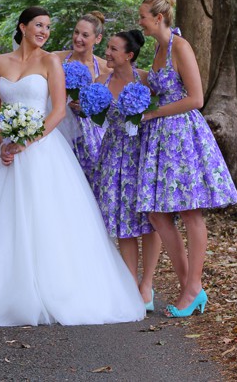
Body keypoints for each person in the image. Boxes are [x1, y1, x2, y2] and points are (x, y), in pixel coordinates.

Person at [0, 6, 146, 327]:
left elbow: (57, 111)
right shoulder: (0, 62)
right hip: (4, 153)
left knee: (46, 218)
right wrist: (3, 141)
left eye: (48, 27)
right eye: (39, 25)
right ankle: (0, 292)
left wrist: (26, 141)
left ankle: (53, 288)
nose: (44, 31)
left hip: (42, 149)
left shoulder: (50, 62)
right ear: (23, 27)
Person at [136, 0, 237, 317]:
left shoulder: (180, 47)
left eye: (142, 17)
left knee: (191, 211)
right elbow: (156, 88)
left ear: (159, 18)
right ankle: (189, 285)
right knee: (156, 213)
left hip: (181, 135)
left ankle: (193, 286)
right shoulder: (157, 48)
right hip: (159, 140)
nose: (139, 22)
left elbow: (196, 99)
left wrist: (153, 113)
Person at [94, 29, 162, 311]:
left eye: (113, 49)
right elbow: (95, 117)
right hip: (112, 154)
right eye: (107, 48)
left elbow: (161, 110)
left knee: (149, 220)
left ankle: (147, 284)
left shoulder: (145, 80)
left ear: (129, 55)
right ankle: (129, 282)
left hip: (142, 153)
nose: (107, 53)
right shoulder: (101, 81)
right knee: (123, 222)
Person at [55, 11, 108, 186]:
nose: (78, 38)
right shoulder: (57, 59)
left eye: (85, 35)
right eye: (76, 32)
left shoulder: (104, 67)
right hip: (62, 130)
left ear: (97, 39)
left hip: (92, 136)